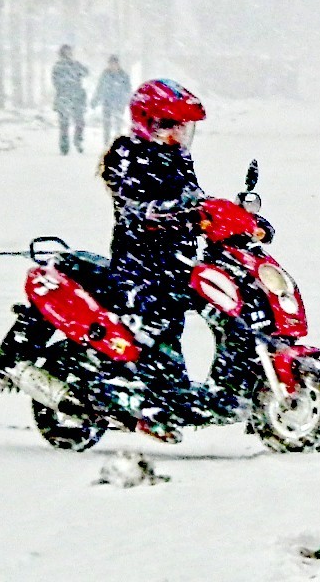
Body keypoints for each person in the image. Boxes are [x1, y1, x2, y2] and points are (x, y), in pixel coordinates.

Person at [100, 78, 228, 441]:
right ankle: (147, 405)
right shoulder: (127, 155)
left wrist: (231, 218)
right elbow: (136, 209)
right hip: (139, 263)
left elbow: (195, 198)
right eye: (170, 125)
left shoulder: (178, 156)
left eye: (184, 127)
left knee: (205, 311)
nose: (179, 134)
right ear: (146, 122)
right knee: (157, 324)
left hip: (176, 259)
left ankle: (196, 393)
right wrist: (177, 213)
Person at [51, 44, 89, 155]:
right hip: (64, 98)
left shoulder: (75, 64)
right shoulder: (58, 67)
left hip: (77, 98)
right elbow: (56, 82)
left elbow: (86, 72)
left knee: (79, 122)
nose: (68, 54)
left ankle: (77, 140)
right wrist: (68, 85)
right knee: (64, 123)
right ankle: (64, 145)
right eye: (66, 52)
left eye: (69, 51)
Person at [92, 55, 132, 145]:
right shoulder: (105, 75)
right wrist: (95, 99)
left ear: (118, 64)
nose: (113, 66)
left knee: (118, 122)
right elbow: (99, 88)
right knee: (106, 123)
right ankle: (106, 141)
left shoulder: (123, 75)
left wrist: (127, 100)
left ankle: (117, 139)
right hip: (107, 101)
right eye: (111, 64)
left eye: (114, 63)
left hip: (119, 102)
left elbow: (128, 89)